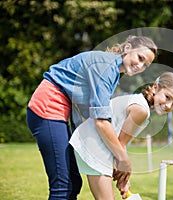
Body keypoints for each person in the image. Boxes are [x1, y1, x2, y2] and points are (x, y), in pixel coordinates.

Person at [26, 35, 157, 200]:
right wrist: (123, 159)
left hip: (60, 111)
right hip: (48, 107)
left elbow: (89, 117)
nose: (140, 65)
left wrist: (111, 161)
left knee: (73, 182)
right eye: (140, 58)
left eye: (146, 64)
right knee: (63, 186)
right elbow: (101, 121)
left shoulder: (114, 72)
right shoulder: (105, 66)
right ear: (128, 48)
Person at [69, 72, 173, 199]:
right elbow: (121, 144)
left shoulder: (139, 102)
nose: (169, 106)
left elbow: (119, 146)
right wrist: (124, 173)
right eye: (167, 97)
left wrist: (123, 177)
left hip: (93, 142)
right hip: (93, 144)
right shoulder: (141, 110)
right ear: (155, 87)